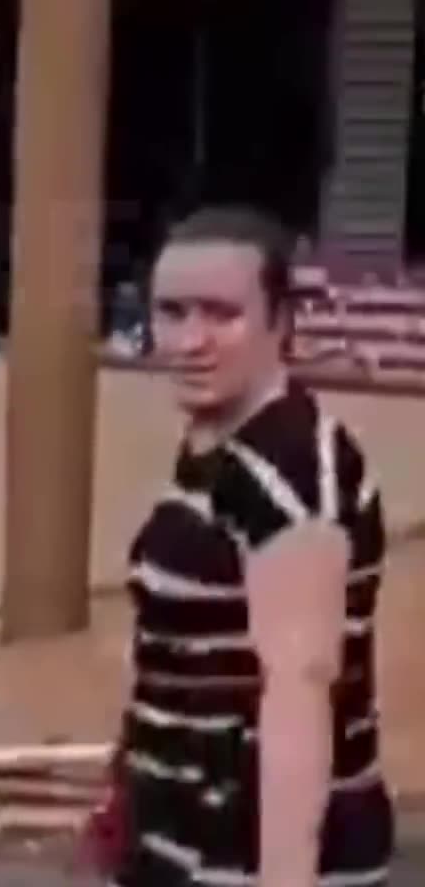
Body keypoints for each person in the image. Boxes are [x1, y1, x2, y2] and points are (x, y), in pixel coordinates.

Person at [106, 206, 391, 886]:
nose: (190, 340)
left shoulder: (289, 470)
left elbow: (299, 695)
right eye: (172, 312)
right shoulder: (222, 445)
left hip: (247, 855)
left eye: (221, 314)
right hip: (186, 836)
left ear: (280, 321)